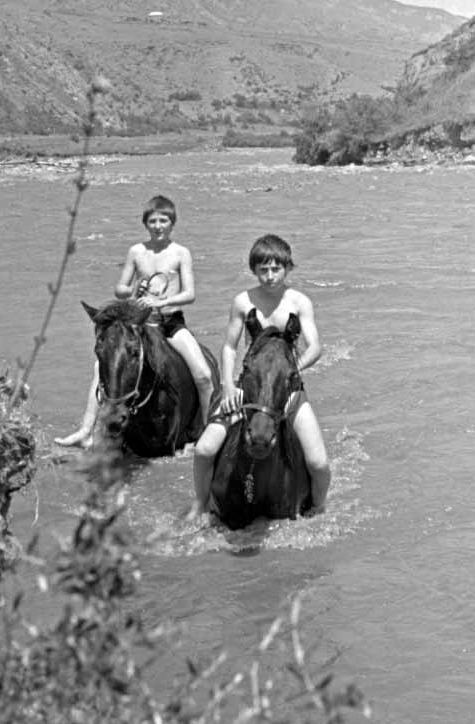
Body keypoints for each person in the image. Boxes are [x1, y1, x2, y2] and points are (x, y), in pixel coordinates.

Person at [55, 195, 214, 448]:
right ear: (145, 223)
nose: (158, 225)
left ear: (173, 223)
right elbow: (120, 288)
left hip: (171, 324)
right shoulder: (136, 251)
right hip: (139, 325)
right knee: (101, 369)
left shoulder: (181, 253)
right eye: (153, 221)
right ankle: (86, 430)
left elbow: (190, 294)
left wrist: (161, 303)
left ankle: (208, 430)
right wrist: (132, 289)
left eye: (164, 220)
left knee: (204, 374)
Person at [192, 233, 331, 516]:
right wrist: (229, 386)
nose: (269, 276)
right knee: (204, 450)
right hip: (248, 389)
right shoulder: (243, 301)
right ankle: (200, 504)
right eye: (263, 270)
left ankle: (319, 508)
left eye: (275, 269)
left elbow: (315, 346)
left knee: (318, 464)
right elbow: (230, 348)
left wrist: (292, 372)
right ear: (254, 270)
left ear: (288, 267)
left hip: (288, 392)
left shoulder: (300, 302)